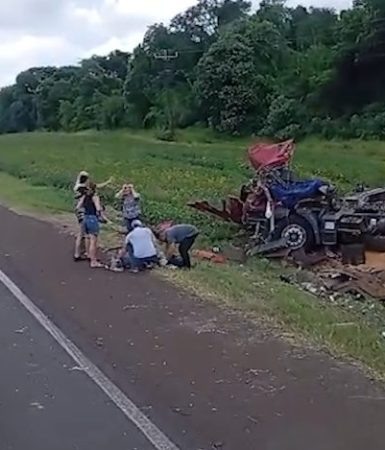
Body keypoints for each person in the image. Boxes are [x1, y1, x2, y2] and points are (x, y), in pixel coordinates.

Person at [73, 171, 112, 261]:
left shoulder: (78, 187)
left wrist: (107, 182)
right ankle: (80, 253)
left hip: (82, 212)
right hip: (84, 212)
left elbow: (96, 186)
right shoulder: (84, 189)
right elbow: (93, 194)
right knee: (83, 234)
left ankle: (81, 253)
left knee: (84, 234)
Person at [76, 182, 107, 268]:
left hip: (85, 217)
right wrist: (102, 215)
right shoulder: (95, 197)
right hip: (92, 218)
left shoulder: (84, 196)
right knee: (93, 240)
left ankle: (89, 255)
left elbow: (78, 207)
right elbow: (98, 208)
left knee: (87, 237)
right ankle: (93, 261)